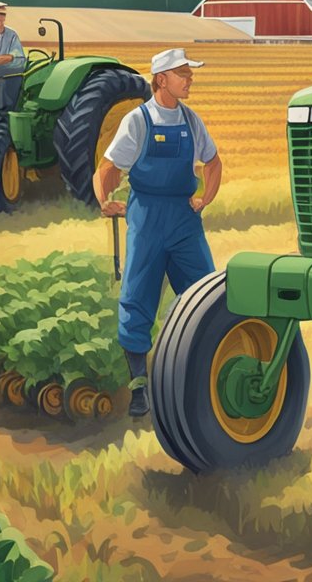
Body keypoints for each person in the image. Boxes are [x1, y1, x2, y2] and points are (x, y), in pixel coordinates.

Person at [92, 48, 223, 417]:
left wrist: (204, 199)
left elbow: (213, 162)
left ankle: (201, 380)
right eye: (183, 73)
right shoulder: (137, 121)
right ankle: (139, 387)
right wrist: (105, 200)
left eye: (190, 73)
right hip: (147, 216)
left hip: (183, 220)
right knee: (137, 298)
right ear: (161, 79)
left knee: (206, 295)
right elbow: (108, 168)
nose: (190, 78)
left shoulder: (192, 121)